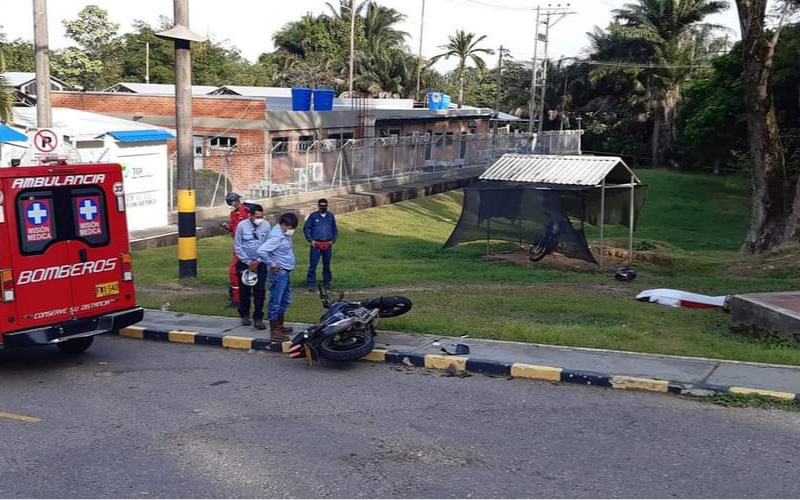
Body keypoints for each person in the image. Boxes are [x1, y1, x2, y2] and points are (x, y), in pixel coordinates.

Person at [258, 212, 299, 341]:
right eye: (291, 227)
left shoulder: (282, 233)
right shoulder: (276, 236)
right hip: (279, 273)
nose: (292, 230)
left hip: (285, 272)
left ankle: (279, 325)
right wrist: (272, 264)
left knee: (286, 300)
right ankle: (274, 330)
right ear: (284, 225)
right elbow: (261, 251)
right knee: (276, 301)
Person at [233, 204, 271, 330]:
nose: (260, 219)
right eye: (257, 217)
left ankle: (258, 318)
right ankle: (244, 315)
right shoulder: (242, 226)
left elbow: (268, 244)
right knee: (245, 291)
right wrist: (248, 262)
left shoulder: (266, 225)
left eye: (261, 216)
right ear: (251, 215)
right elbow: (238, 246)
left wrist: (258, 261)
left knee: (260, 291)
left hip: (260, 263)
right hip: (245, 263)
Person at [303, 199, 338, 292]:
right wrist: (310, 240)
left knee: (327, 265)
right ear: (318, 206)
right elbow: (307, 228)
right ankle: (310, 283)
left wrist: (333, 240)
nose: (323, 207)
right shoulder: (313, 216)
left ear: (327, 206)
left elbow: (334, 229)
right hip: (316, 244)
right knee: (313, 265)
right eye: (321, 206)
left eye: (324, 206)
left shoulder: (330, 216)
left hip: (327, 243)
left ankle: (327, 282)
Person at [222, 193, 250, 308]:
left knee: (234, 272)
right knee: (239, 271)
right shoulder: (233, 214)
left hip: (245, 246)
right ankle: (239, 294)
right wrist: (228, 227)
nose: (230, 205)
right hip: (237, 245)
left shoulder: (247, 211)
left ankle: (237, 299)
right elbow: (235, 228)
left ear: (237, 201)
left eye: (231, 202)